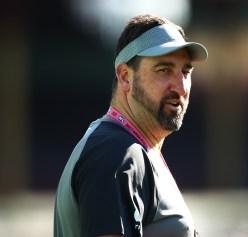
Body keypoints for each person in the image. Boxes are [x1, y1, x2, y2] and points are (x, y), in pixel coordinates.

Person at [54, 14, 208, 237]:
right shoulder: (115, 152)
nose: (181, 87)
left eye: (185, 71)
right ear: (125, 76)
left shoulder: (136, 150)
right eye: (164, 70)